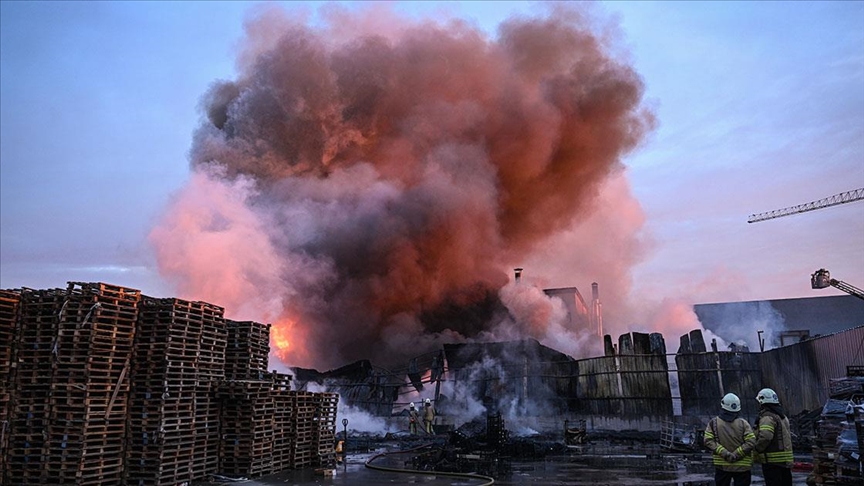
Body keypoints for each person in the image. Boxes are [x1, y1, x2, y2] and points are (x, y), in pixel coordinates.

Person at [704, 393, 756, 486]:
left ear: (723, 405)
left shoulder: (714, 423)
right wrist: (736, 454)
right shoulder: (744, 423)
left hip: (722, 466)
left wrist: (725, 453)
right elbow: (751, 442)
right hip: (742, 467)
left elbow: (708, 441)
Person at [753, 388, 793, 486]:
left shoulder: (767, 417)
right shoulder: (782, 416)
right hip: (784, 462)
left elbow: (765, 437)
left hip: (772, 463)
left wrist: (757, 448)